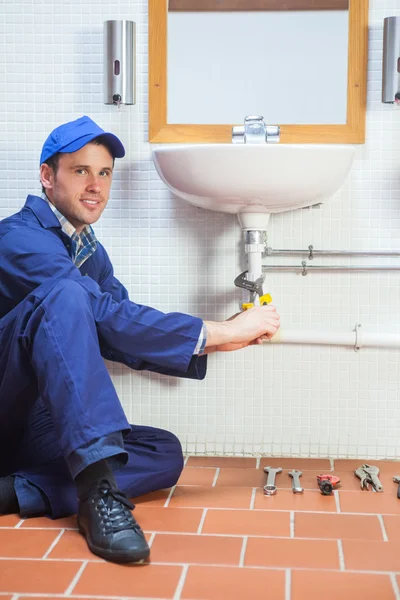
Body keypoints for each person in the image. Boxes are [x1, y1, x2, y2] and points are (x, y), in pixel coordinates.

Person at [0, 115, 280, 564]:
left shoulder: (88, 249)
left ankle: (15, 490)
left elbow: (119, 336)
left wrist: (217, 339)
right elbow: (103, 315)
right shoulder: (19, 238)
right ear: (47, 176)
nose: (95, 185)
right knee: (67, 295)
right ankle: (98, 501)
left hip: (41, 423)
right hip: (6, 406)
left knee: (164, 452)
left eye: (105, 173)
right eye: (80, 171)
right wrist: (216, 333)